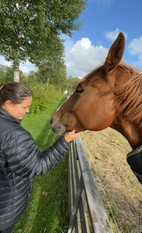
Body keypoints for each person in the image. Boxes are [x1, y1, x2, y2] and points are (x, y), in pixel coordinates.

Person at [0, 82, 81, 233]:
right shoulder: (14, 136)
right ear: (9, 104)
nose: (28, 110)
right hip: (5, 210)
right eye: (24, 107)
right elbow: (38, 166)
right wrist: (66, 141)